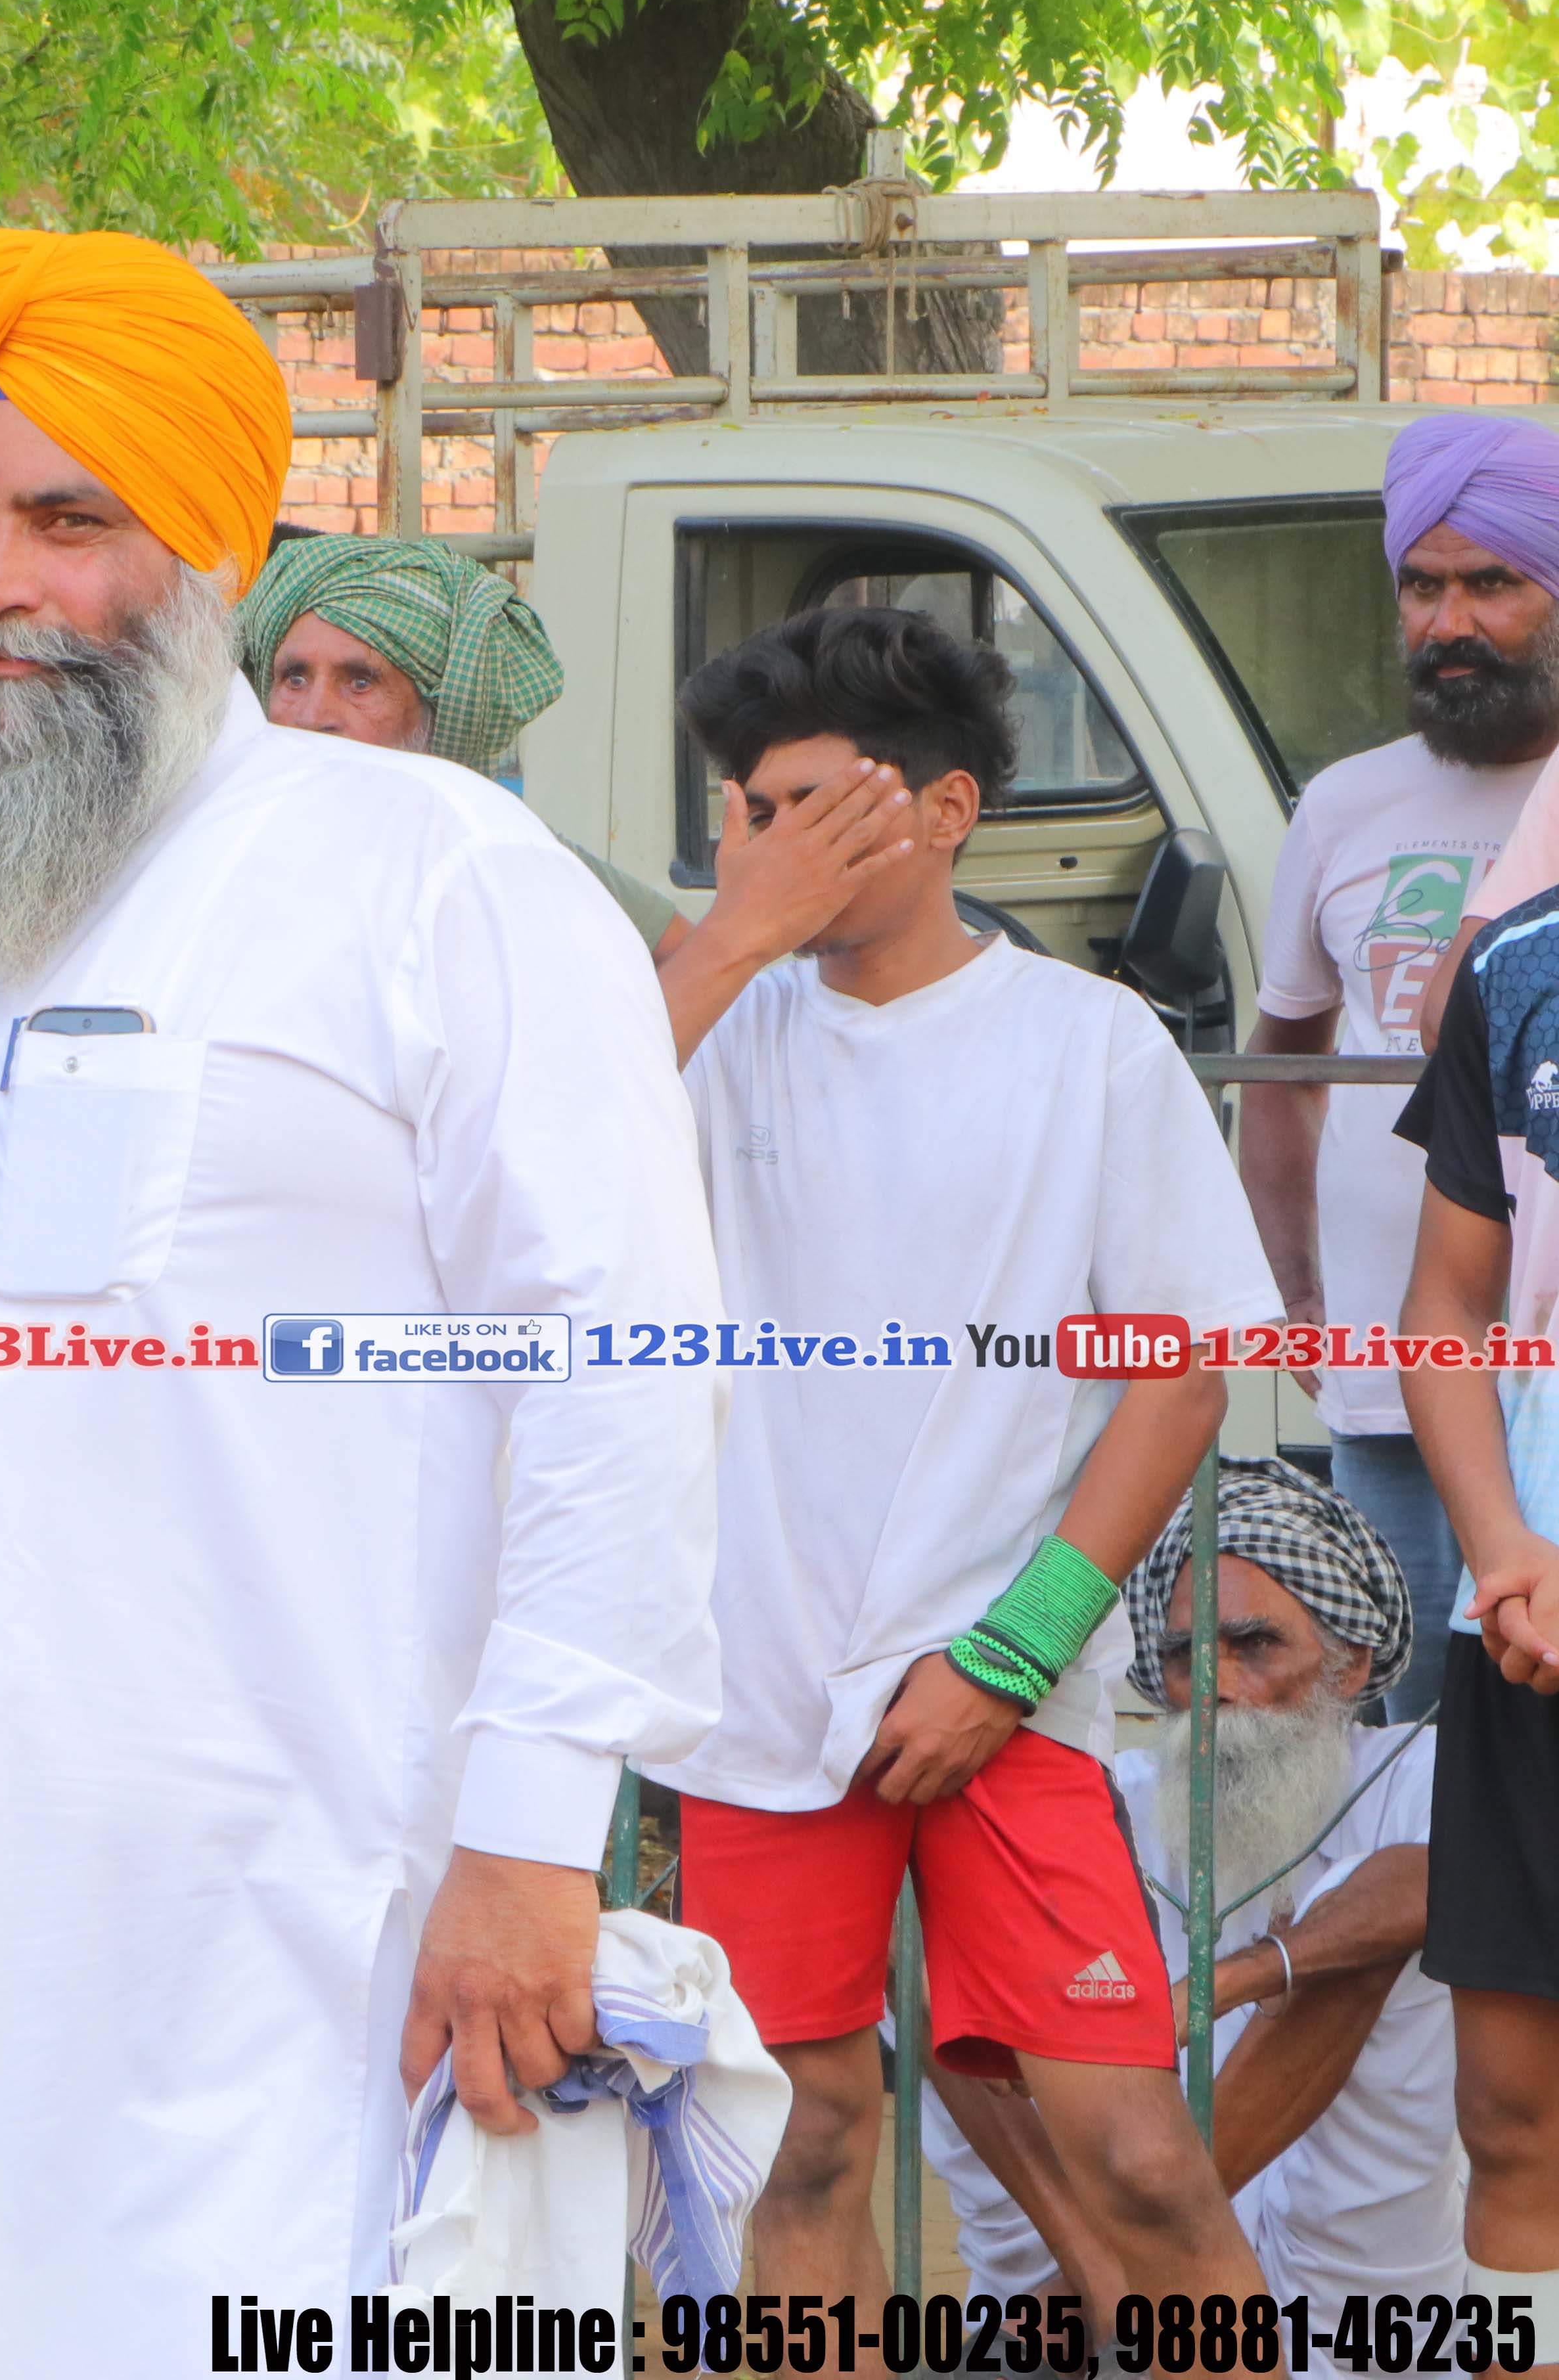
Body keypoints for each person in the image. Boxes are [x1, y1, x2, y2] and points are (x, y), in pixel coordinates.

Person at [0, 228, 725, 2371]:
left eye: (73, 521)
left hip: (262, 1938)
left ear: (208, 547)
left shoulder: (431, 872)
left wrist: (532, 1837)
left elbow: (621, 1357)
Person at [662, 606, 1277, 2303]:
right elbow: (544, 1170)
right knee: (796, 2144)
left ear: (947, 810)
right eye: (754, 810)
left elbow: (1181, 1379)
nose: (778, 845)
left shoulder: (1089, 1041)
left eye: (820, 806)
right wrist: (729, 939)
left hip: (1012, 1683)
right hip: (759, 1691)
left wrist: (1012, 1656)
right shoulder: (709, 1029)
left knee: (1137, 2155)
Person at [923, 1460, 1451, 2317]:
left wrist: (1226, 1983)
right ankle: (1100, 2265)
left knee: (1359, 1929)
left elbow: (1435, 1880)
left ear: (1350, 1664)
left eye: (1253, 1645)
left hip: (1369, 2319)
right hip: (1106, 2300)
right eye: (1181, 1655)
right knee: (933, 1943)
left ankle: (1117, 2267)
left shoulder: (1416, 1774)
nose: (1211, 1685)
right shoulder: (1117, 1803)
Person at [1236, 410, 1559, 1728]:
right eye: (1422, 588)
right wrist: (1297, 1288)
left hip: (1542, 1373)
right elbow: (1283, 1061)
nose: (1449, 623)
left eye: (1492, 584)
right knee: (1407, 1735)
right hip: (1394, 1365)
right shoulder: (1346, 804)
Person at [238, 530, 920, 1061]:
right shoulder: (222, 847)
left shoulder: (509, 855)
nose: (314, 716)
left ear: (439, 715)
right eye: (293, 678)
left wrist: (744, 927)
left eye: (360, 682)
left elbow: (681, 972)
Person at [1387, 853, 1559, 2327]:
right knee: (1512, 2116)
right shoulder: (1522, 967)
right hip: (1529, 1613)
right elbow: (1449, 1299)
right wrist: (1502, 1544)